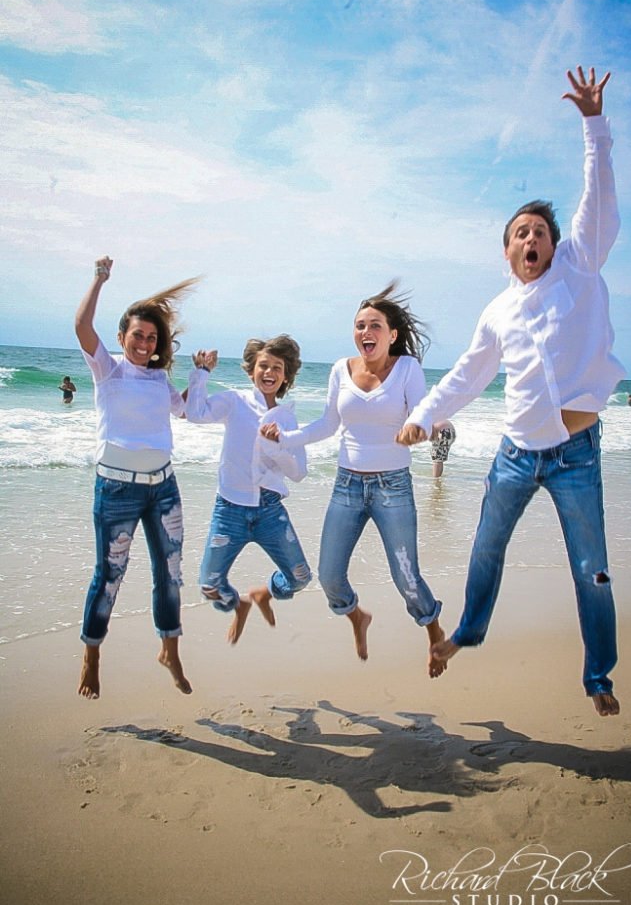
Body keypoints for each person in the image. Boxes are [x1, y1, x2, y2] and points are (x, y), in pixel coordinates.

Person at [397, 66, 624, 716]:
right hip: (516, 454)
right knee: (485, 549)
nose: (531, 238)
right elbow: (468, 374)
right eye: (519, 233)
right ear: (506, 252)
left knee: (593, 567)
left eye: (539, 231)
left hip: (576, 452)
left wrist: (593, 124)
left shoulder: (579, 267)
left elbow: (599, 199)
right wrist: (421, 415)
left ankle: (599, 676)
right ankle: (464, 635)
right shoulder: (497, 310)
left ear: (557, 244)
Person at [262, 283, 446, 677]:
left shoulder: (408, 370)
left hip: (392, 487)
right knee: (329, 576)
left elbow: (422, 416)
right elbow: (329, 424)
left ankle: (433, 630)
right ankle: (356, 616)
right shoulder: (339, 370)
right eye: (360, 325)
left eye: (375, 325)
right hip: (347, 485)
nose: (366, 332)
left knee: (407, 577)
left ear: (392, 334)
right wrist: (288, 438)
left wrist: (421, 429)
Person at [75, 256, 197, 700]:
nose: (144, 343)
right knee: (109, 576)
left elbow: (183, 410)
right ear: (122, 337)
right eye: (137, 335)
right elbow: (81, 326)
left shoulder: (158, 378)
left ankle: (171, 650)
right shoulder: (107, 370)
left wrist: (200, 375)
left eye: (151, 337)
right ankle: (91, 656)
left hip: (163, 488)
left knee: (170, 573)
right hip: (118, 489)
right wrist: (99, 278)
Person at [185, 338, 311, 645]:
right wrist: (201, 372)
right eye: (263, 366)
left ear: (286, 376)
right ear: (251, 370)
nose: (269, 372)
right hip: (229, 509)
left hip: (270, 511)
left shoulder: (287, 418)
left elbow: (299, 473)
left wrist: (276, 446)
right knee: (209, 586)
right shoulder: (234, 401)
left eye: (277, 368)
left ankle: (264, 593)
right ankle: (237, 604)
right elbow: (195, 413)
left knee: (299, 578)